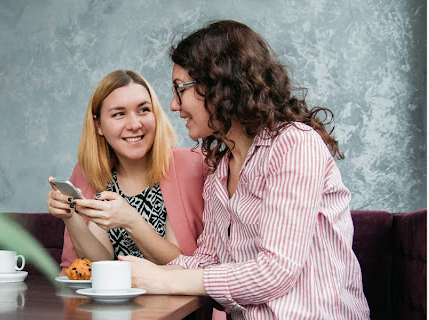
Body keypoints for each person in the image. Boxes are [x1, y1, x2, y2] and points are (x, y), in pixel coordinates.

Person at [119, 20, 370, 319]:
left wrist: (166, 279)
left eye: (179, 89)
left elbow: (275, 270)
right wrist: (141, 274)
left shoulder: (294, 145)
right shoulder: (219, 172)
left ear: (218, 85)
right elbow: (208, 262)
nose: (174, 105)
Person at [46, 70, 207, 269]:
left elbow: (180, 264)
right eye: (119, 114)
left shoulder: (189, 165)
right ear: (99, 125)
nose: (134, 124)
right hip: (113, 299)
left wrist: (130, 220)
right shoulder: (87, 173)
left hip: (174, 298)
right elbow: (99, 264)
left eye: (143, 110)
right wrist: (70, 217)